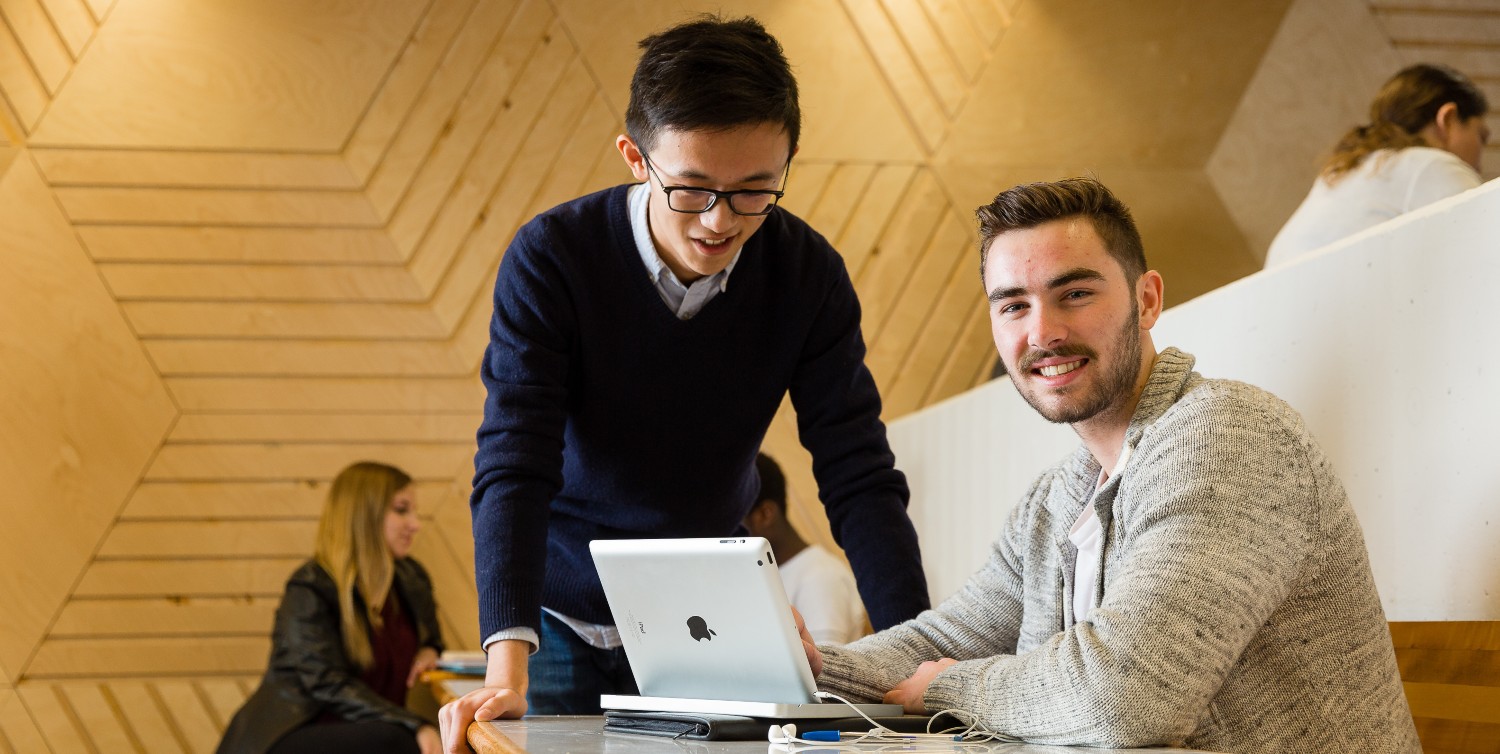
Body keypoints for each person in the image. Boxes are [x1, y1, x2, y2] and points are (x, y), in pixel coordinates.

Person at [442, 14, 928, 747]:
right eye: (692, 188)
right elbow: (515, 461)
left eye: (754, 191)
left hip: (706, 611)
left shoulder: (808, 276)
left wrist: (916, 653)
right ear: (636, 157)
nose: (718, 221)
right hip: (561, 608)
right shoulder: (554, 258)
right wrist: (504, 667)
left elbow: (858, 471)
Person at [802, 178, 1420, 754]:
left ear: (1146, 300)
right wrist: (815, 666)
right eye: (1013, 305)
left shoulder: (1229, 437)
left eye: (1074, 293)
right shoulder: (1058, 498)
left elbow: (1125, 697)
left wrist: (950, 689)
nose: (1042, 333)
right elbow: (950, 638)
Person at [218, 462, 444, 754]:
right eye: (402, 510)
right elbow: (326, 683)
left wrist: (430, 649)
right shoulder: (310, 586)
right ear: (364, 515)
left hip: (370, 728)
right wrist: (413, 724)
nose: (416, 524)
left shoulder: (411, 578)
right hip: (295, 731)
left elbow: (432, 638)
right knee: (397, 741)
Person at [1266, 63, 1489, 267]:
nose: (1479, 165)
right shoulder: (1430, 165)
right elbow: (1488, 257)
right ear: (1447, 119)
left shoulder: (1337, 175)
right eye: (1481, 135)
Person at [742, 452, 866, 644]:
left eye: (733, 525)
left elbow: (822, 668)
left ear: (765, 515)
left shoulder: (820, 577)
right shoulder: (768, 573)